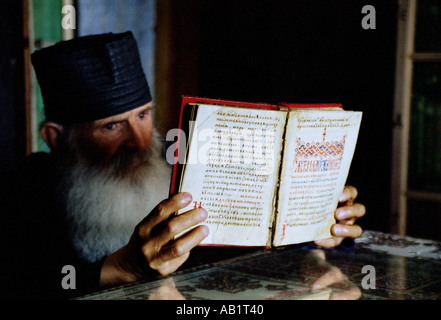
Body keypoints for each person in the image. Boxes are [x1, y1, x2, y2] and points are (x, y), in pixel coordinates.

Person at [0, 31, 365, 299]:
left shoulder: (177, 164)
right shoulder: (23, 194)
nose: (139, 142)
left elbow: (239, 253)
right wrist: (121, 269)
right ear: (55, 137)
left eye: (142, 115)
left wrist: (310, 230)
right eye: (111, 126)